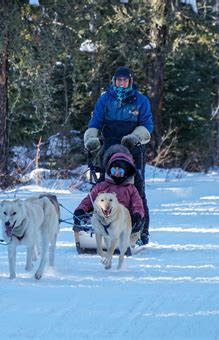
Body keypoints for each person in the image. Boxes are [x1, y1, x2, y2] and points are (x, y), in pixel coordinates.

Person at [82, 66, 153, 245]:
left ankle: (140, 231)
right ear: (114, 81)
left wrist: (135, 137)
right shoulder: (105, 99)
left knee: (136, 190)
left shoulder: (140, 101)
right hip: (109, 150)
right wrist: (91, 138)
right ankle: (97, 226)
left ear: (130, 81)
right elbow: (95, 122)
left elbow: (147, 125)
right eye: (118, 80)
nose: (121, 83)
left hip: (133, 150)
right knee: (104, 187)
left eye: (124, 80)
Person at [72, 145, 145, 254]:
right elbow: (89, 200)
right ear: (109, 170)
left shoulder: (131, 189)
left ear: (126, 172)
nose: (116, 173)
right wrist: (80, 210)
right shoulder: (102, 186)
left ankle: (128, 240)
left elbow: (137, 205)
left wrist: (137, 215)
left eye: (119, 171)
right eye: (113, 170)